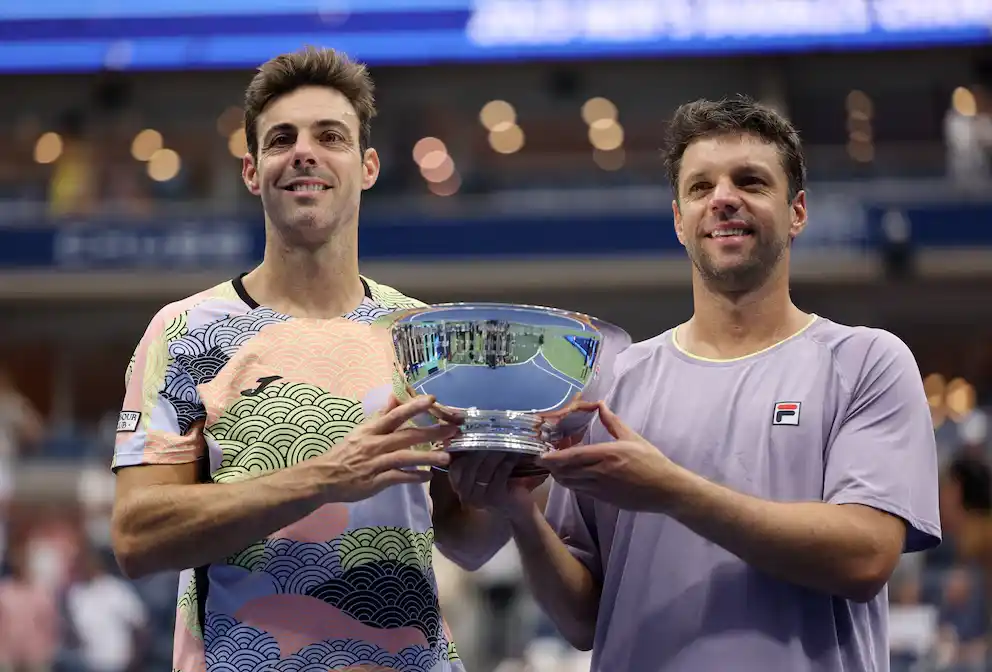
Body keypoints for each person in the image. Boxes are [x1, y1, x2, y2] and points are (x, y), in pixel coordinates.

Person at [447, 95, 942, 671]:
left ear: (797, 211)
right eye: (701, 187)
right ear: (680, 220)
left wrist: (673, 491)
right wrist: (521, 514)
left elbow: (865, 558)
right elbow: (583, 618)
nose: (724, 198)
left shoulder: (866, 361)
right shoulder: (616, 380)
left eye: (751, 181)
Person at [109, 47, 511, 672]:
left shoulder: (425, 335)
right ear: (251, 171)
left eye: (331, 136)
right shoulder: (185, 332)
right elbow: (136, 536)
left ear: (368, 166)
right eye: (281, 139)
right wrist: (324, 479)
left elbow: (469, 540)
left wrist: (506, 488)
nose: (305, 152)